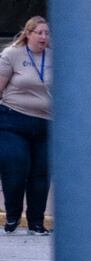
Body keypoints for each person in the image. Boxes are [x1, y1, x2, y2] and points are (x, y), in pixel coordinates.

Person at [0, 16, 53, 235]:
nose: (44, 37)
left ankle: (36, 223)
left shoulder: (54, 57)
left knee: (41, 173)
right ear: (28, 34)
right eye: (39, 32)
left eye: (47, 33)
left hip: (46, 122)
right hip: (14, 119)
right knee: (17, 166)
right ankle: (13, 217)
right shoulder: (12, 54)